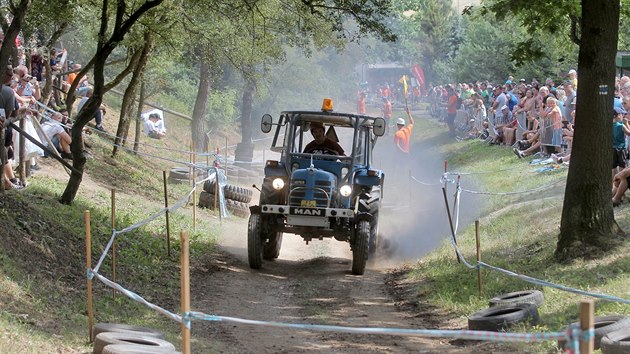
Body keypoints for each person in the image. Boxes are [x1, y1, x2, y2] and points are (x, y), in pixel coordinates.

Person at [612, 106, 630, 181]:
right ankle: (620, 184)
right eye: (621, 114)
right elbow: (629, 133)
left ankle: (613, 184)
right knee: (622, 167)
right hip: (621, 148)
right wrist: (627, 124)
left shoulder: (608, 125)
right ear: (617, 116)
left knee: (613, 168)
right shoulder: (621, 126)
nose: (623, 116)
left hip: (612, 148)